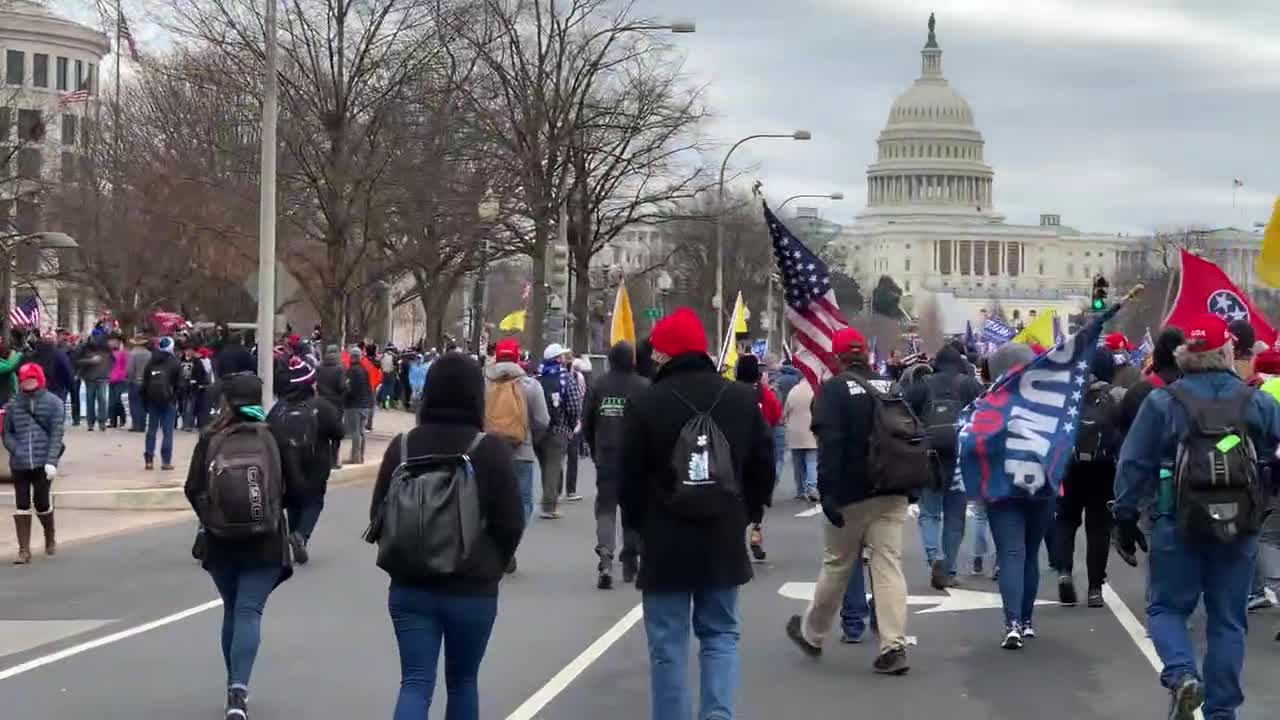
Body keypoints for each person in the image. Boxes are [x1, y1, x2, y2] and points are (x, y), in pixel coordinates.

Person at [1113, 314, 1280, 720]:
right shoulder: (1256, 401)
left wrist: (1124, 514)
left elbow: (1133, 464)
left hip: (1177, 519)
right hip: (1240, 524)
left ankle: (1183, 675)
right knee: (1228, 619)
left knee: (1167, 609)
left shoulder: (1163, 401)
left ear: (1184, 355)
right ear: (1228, 352)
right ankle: (1222, 711)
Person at [620, 308, 774, 720]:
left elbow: (628, 477)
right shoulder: (741, 400)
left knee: (668, 644)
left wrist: (635, 531)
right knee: (721, 634)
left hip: (665, 536)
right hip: (722, 531)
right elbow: (764, 464)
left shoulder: (646, 403)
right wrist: (749, 511)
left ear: (666, 354)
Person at [368, 353, 524, 720]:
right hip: (472, 586)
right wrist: (493, 563)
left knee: (415, 682)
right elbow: (511, 522)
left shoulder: (403, 447)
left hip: (410, 585)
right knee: (463, 682)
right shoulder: (489, 450)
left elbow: (379, 514)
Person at [786, 327, 918, 675]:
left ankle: (813, 634)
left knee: (837, 565)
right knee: (888, 565)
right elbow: (911, 434)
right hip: (892, 489)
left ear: (838, 356)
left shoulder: (833, 391)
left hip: (851, 495)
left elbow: (830, 445)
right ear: (866, 354)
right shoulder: (891, 386)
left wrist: (826, 493)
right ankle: (893, 644)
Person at [184, 374, 297, 720]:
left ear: (226, 400)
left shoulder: (210, 436)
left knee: (232, 609)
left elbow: (192, 487)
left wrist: (212, 518)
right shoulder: (274, 436)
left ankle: (232, 685)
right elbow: (296, 486)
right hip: (264, 540)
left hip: (221, 541)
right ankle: (239, 690)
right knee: (250, 611)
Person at [966, 342, 1057, 649]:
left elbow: (971, 441)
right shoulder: (1049, 400)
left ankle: (1013, 622)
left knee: (1011, 554)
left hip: (1001, 487)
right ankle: (1028, 620)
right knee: (1031, 554)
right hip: (1041, 485)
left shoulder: (989, 401)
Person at [909, 344, 984, 589]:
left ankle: (935, 558)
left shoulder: (922, 385)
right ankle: (950, 570)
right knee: (955, 517)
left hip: (929, 456)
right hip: (962, 458)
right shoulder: (971, 385)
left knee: (929, 513)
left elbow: (904, 413)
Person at [1055, 350, 1125, 609]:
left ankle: (1064, 571)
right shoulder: (1118, 395)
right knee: (1098, 528)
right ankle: (1095, 588)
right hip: (1105, 469)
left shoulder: (1066, 394)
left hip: (1069, 467)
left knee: (1065, 520)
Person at [582, 341, 649, 589]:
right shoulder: (643, 386)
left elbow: (587, 421)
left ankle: (606, 558)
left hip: (607, 455)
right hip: (636, 459)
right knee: (633, 508)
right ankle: (631, 557)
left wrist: (594, 446)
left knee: (606, 508)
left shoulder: (599, 385)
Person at [267, 357, 343, 565]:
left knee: (293, 501)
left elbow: (268, 432)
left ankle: (293, 537)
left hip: (286, 464)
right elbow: (339, 432)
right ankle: (301, 535)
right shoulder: (321, 406)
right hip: (315, 463)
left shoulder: (278, 408)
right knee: (314, 502)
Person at [484, 339, 550, 546]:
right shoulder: (531, 385)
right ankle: (509, 544)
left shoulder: (483, 382)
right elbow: (542, 420)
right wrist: (530, 439)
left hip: (488, 451)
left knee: (489, 499)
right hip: (522, 451)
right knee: (523, 502)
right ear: (518, 357)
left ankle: (493, 540)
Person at [4, 363, 65, 564]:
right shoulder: (13, 404)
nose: (27, 383)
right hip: (20, 464)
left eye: (31, 379)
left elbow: (57, 434)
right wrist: (16, 449)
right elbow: (7, 433)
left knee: (41, 503)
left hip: (42, 462)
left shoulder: (54, 403)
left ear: (39, 379)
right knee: (21, 504)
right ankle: (24, 550)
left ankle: (50, 535)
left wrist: (51, 461)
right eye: (24, 380)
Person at [735, 354, 781, 561]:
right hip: (761, 449)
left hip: (737, 449)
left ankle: (735, 535)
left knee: (738, 495)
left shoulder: (731, 392)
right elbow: (775, 414)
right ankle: (756, 530)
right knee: (758, 497)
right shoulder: (764, 393)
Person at [535, 343, 582, 518]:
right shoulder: (566, 378)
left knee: (545, 465)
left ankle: (548, 496)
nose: (564, 358)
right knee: (554, 466)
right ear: (557, 359)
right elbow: (574, 404)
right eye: (561, 356)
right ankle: (549, 506)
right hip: (559, 427)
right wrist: (572, 424)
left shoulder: (538, 377)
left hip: (539, 429)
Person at [142, 337, 182, 471]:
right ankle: (166, 461)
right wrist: (175, 398)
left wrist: (146, 400)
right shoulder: (175, 362)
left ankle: (149, 460)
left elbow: (145, 382)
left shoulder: (151, 361)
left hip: (153, 400)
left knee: (151, 430)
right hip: (168, 400)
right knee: (167, 432)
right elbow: (180, 384)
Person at [782, 375, 819, 502]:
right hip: (811, 430)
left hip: (794, 432)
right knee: (812, 461)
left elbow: (785, 412)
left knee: (797, 463)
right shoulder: (816, 390)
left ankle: (800, 490)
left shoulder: (793, 390)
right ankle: (812, 487)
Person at [564, 356, 593, 502]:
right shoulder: (583, 379)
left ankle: (555, 489)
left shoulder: (565, 377)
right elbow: (581, 400)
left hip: (563, 423)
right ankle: (570, 490)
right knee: (572, 458)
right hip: (575, 422)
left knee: (559, 458)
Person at [315, 345, 348, 468]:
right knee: (335, 433)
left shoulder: (319, 367)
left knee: (321, 432)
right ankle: (333, 460)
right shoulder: (340, 368)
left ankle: (321, 459)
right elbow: (341, 386)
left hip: (322, 402)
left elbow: (316, 384)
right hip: (336, 404)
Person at [343, 345, 373, 465]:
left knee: (355, 432)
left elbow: (350, 389)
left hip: (355, 405)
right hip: (365, 404)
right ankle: (361, 456)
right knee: (361, 431)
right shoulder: (364, 370)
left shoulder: (351, 371)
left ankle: (355, 457)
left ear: (352, 357)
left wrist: (344, 396)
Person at [77, 336, 111, 431]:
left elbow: (111, 363)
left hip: (100, 378)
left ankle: (100, 422)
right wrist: (90, 361)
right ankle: (92, 423)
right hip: (92, 379)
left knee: (100, 400)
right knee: (93, 400)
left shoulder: (106, 352)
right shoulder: (87, 351)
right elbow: (79, 362)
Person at [179, 342, 213, 431]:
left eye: (190, 350)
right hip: (182, 387)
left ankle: (188, 425)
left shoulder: (197, 361)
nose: (188, 352)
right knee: (183, 406)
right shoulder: (180, 360)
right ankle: (185, 423)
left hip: (193, 387)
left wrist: (197, 382)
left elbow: (202, 373)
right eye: (186, 350)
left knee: (190, 406)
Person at [126, 336, 152, 432]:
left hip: (135, 382)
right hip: (146, 382)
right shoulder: (149, 354)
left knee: (135, 404)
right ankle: (143, 425)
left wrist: (129, 378)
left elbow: (130, 369)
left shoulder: (133, 354)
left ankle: (136, 425)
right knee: (143, 404)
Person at [107, 335, 130, 429]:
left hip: (121, 380)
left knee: (118, 401)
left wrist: (125, 375)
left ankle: (122, 419)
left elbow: (127, 366)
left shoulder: (124, 353)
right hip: (111, 380)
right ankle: (112, 421)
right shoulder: (110, 353)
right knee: (112, 402)